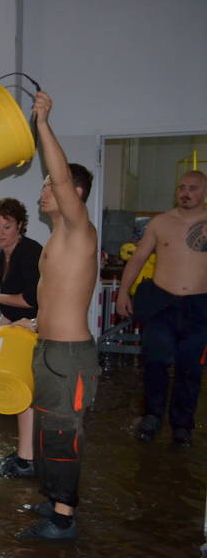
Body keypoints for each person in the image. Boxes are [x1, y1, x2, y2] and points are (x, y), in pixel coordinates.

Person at [16, 91, 99, 541]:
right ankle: (54, 498)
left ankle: (64, 517)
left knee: (64, 434)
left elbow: (64, 178)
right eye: (44, 184)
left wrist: (42, 124)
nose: (43, 190)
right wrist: (31, 323)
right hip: (48, 349)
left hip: (69, 357)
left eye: (49, 185)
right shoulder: (55, 242)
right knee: (49, 431)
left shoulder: (79, 227)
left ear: (74, 193)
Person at [116, 170, 207, 446]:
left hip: (199, 306)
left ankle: (182, 426)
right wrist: (122, 293)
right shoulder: (161, 223)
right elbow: (138, 259)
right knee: (155, 361)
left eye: (192, 188)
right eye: (181, 187)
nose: (185, 192)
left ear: (204, 192)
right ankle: (152, 416)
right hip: (162, 304)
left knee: (189, 368)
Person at [0, 198, 42, 477]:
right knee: (22, 391)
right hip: (19, 325)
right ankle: (25, 454)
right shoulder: (0, 257)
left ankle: (28, 459)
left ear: (20, 226)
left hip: (38, 325)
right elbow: (10, 306)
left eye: (7, 226)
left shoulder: (30, 251)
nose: (1, 233)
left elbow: (32, 298)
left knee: (25, 391)